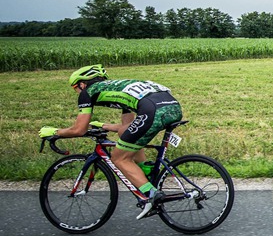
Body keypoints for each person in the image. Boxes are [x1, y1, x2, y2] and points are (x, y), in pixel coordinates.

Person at [39, 64, 183, 219]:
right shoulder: (119, 87)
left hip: (153, 111)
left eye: (75, 87)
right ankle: (146, 170)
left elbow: (79, 129)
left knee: (119, 158)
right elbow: (127, 127)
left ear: (82, 84)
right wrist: (104, 126)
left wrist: (55, 132)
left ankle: (151, 195)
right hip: (172, 107)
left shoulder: (87, 92)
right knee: (127, 137)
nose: (76, 92)